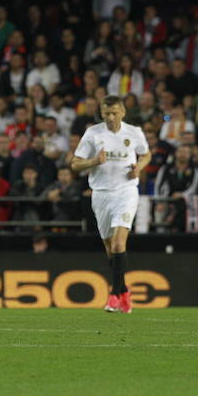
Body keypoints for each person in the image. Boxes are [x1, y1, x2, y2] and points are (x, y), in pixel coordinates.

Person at [71, 95, 151, 313]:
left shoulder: (134, 133)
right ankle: (124, 290)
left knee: (118, 244)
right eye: (107, 113)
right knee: (109, 248)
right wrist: (94, 161)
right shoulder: (93, 133)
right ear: (101, 113)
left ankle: (114, 295)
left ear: (123, 112)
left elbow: (146, 154)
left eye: (115, 112)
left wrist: (139, 167)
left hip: (126, 192)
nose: (111, 117)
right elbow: (75, 164)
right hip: (101, 194)